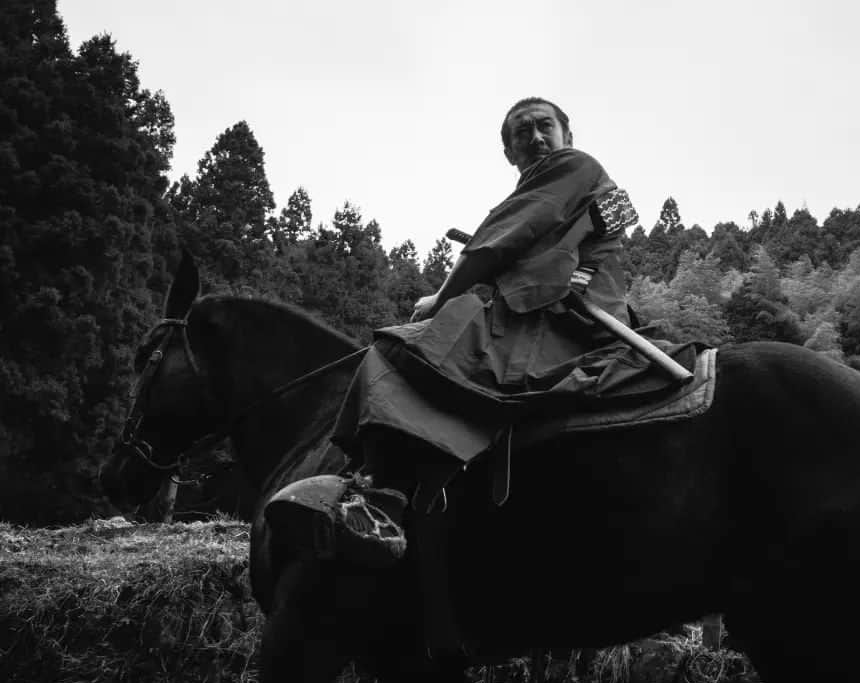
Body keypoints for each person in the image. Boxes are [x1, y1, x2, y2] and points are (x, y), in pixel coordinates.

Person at [268, 97, 693, 566]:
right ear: (509, 153)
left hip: (556, 316)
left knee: (396, 352)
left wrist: (441, 298)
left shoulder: (573, 166)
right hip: (564, 310)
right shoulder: (576, 183)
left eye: (544, 126)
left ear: (567, 136)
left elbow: (497, 243)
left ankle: (381, 497)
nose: (534, 137)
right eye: (521, 133)